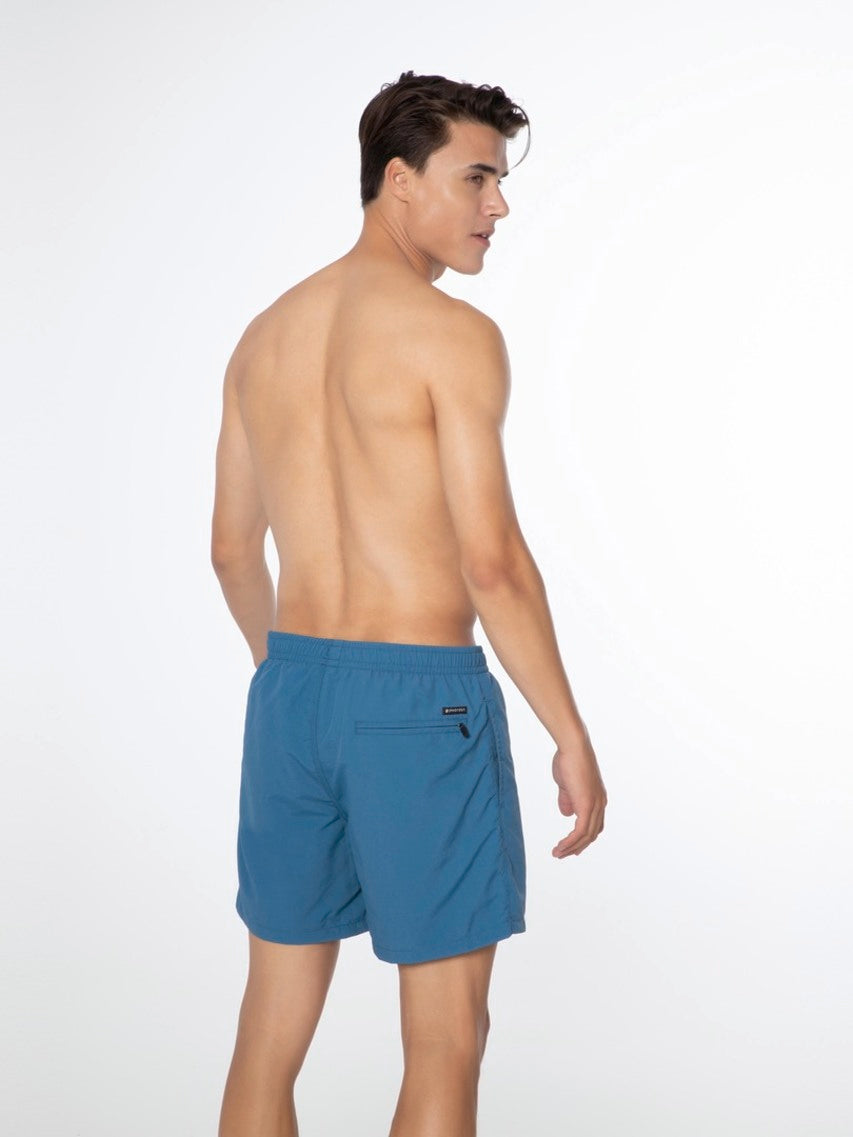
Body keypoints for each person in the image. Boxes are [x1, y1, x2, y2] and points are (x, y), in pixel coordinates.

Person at [211, 69, 607, 1137]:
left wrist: (290, 678)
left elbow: (231, 550)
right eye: (476, 177)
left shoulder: (263, 337)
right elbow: (492, 562)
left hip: (291, 693)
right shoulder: (450, 335)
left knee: (266, 1036)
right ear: (399, 180)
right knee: (445, 1040)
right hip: (419, 703)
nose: (498, 205)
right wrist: (567, 731)